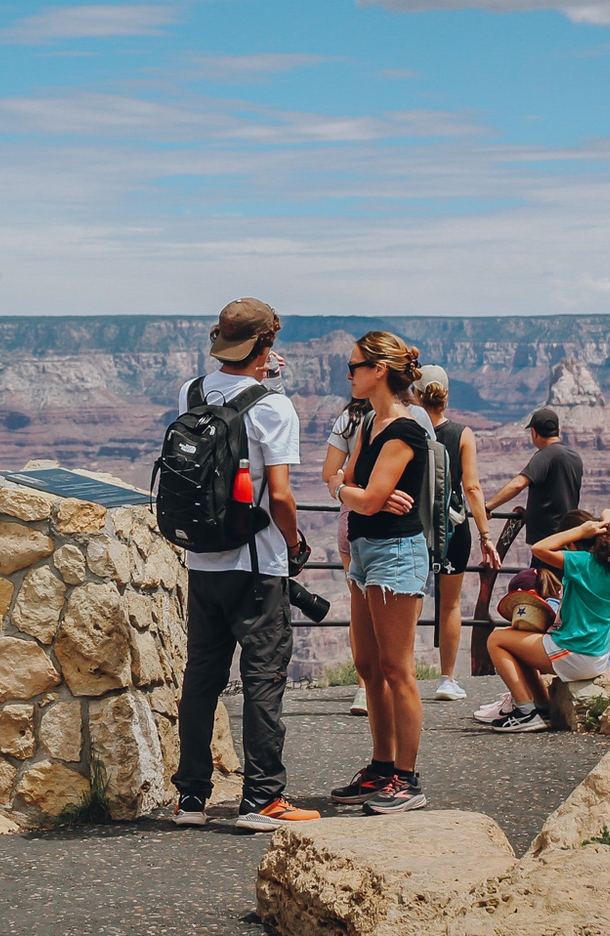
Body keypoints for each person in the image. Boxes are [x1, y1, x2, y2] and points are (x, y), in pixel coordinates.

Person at [169, 300, 319, 833]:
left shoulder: (191, 392)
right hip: (257, 566)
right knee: (262, 679)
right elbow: (279, 494)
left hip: (201, 560)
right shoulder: (274, 408)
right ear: (264, 347)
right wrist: (295, 542)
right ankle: (262, 799)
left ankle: (190, 799)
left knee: (201, 679)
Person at [328, 331, 434, 814]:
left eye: (354, 367)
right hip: (365, 550)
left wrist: (356, 492)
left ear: (379, 371)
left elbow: (360, 494)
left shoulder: (406, 430)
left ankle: (408, 780)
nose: (348, 374)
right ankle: (381, 767)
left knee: (397, 669)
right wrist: (355, 490)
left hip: (396, 553)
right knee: (369, 667)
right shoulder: (370, 421)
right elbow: (346, 481)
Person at [483, 508, 610, 732]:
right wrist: (609, 521)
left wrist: (579, 531)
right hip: (597, 654)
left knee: (496, 639)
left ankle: (525, 712)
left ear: (574, 543)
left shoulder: (583, 562)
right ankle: (543, 706)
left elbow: (539, 548)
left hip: (575, 653)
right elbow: (609, 510)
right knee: (519, 642)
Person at [414, 365, 501, 700]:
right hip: (453, 528)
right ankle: (447, 679)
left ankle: (401, 676)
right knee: (450, 605)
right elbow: (473, 488)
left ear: (416, 395)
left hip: (414, 529)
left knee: (411, 600)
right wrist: (485, 536)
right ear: (446, 397)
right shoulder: (463, 433)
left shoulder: (407, 430)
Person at [322, 399, 372, 717]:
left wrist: (347, 485)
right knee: (396, 611)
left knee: (359, 607)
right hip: (394, 521)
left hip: (350, 516)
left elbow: (329, 474)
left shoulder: (349, 418)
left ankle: (364, 689)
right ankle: (394, 685)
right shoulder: (410, 413)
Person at [485, 407, 583, 549]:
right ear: (558, 430)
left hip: (547, 540)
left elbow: (518, 484)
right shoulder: (574, 456)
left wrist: (488, 507)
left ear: (534, 432)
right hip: (568, 536)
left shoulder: (545, 455)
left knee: (542, 571)